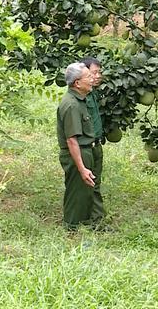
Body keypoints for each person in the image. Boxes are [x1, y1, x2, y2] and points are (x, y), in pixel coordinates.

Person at [56, 62, 102, 230]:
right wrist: (81, 168)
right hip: (77, 153)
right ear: (77, 83)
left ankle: (87, 223)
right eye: (89, 77)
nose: (93, 79)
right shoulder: (72, 105)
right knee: (76, 193)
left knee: (86, 191)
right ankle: (71, 228)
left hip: (85, 150)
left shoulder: (80, 100)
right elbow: (71, 140)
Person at [80, 57, 107, 223]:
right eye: (94, 72)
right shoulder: (80, 97)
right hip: (86, 147)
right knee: (89, 184)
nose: (98, 76)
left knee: (95, 182)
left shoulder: (92, 92)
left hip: (96, 144)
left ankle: (94, 217)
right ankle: (93, 219)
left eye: (99, 72)